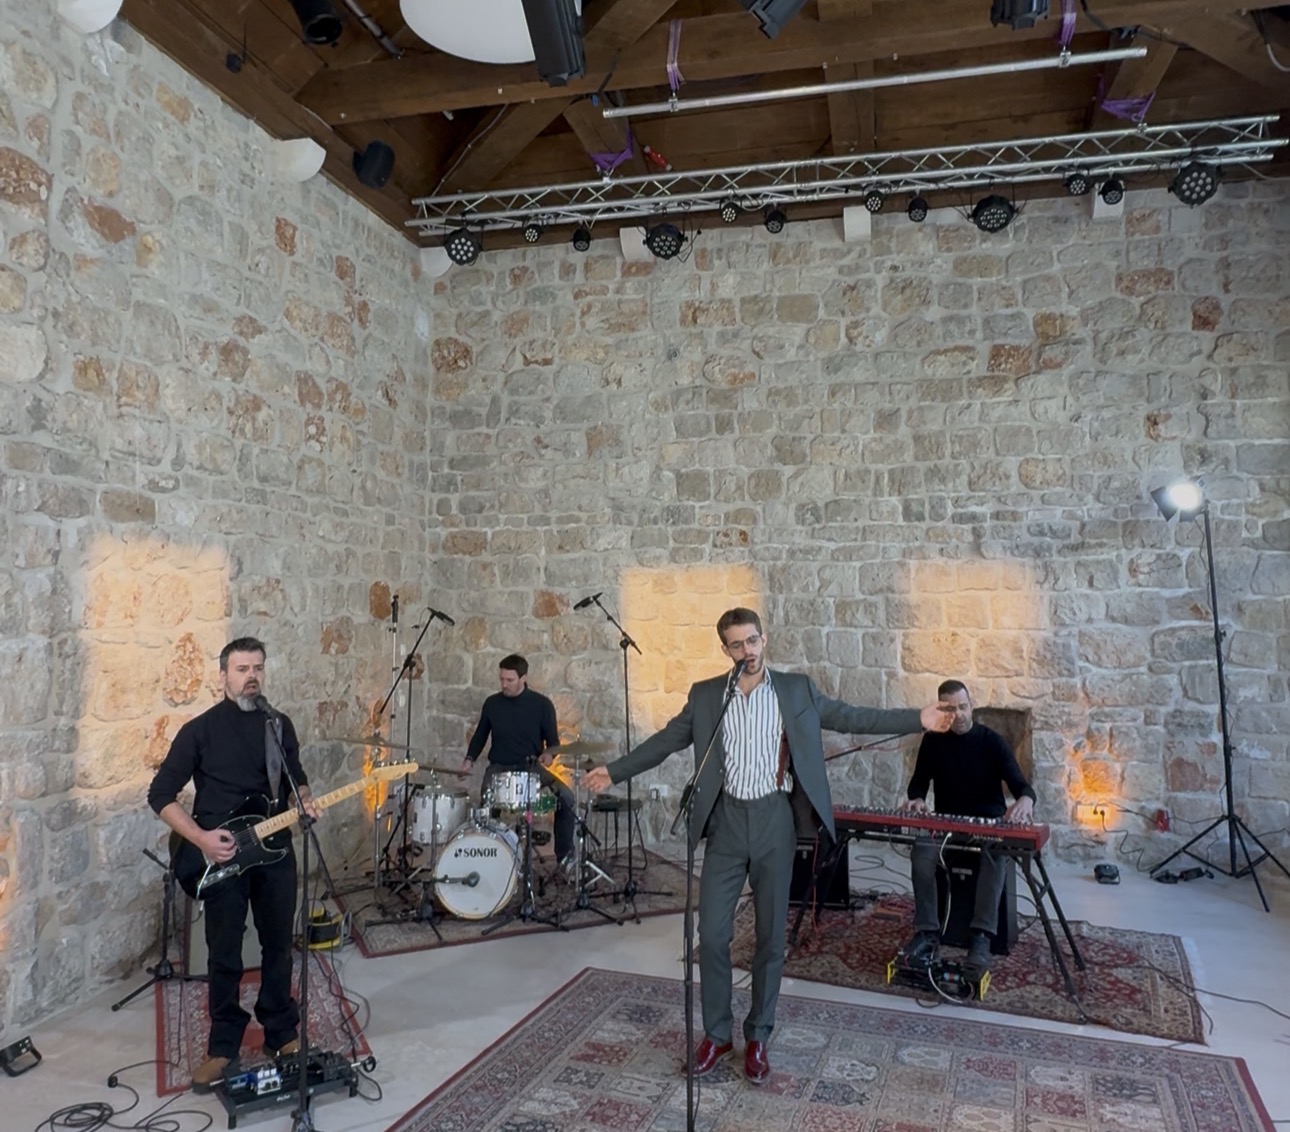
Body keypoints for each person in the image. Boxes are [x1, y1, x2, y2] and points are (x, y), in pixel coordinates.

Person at [584, 608, 951, 1085]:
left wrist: (916, 717)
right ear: (725, 650)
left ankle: (758, 1034)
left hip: (776, 820)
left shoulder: (795, 690)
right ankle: (717, 1034)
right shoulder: (707, 696)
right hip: (727, 822)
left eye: (753, 641)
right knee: (712, 935)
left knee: (769, 938)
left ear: (764, 639)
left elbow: (851, 716)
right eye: (737, 645)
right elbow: (667, 741)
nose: (748, 651)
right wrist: (614, 771)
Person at [147, 637, 320, 1092]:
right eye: (242, 669)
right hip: (221, 854)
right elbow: (159, 796)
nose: (251, 677)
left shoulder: (278, 725)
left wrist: (304, 800)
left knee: (279, 943)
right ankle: (223, 1044)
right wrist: (202, 838)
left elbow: (295, 778)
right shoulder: (199, 731)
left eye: (258, 668)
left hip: (275, 849)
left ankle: (280, 1031)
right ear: (223, 676)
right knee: (224, 954)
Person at [899, 679, 1035, 974]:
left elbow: (1022, 786)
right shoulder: (933, 742)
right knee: (922, 849)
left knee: (995, 855)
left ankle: (981, 936)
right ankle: (927, 932)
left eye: (963, 707)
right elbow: (917, 786)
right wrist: (917, 801)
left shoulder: (992, 742)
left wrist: (1025, 800)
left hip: (988, 826)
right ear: (940, 710)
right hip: (947, 824)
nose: (959, 714)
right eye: (951, 709)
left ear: (971, 706)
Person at [458, 654, 575, 867]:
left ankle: (565, 857)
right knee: (486, 808)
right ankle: (488, 859)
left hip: (531, 767)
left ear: (523, 678)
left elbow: (554, 742)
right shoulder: (492, 704)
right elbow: (480, 736)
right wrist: (469, 760)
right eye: (501, 679)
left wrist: (549, 755)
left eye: (509, 680)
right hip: (499, 767)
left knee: (567, 798)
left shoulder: (542, 705)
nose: (504, 684)